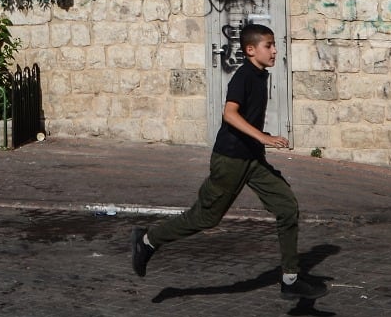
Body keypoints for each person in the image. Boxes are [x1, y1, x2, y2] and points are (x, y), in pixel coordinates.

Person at [130, 22, 325, 300]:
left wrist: (262, 138)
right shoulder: (244, 76)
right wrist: (263, 137)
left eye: (274, 45)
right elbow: (230, 114)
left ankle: (290, 278)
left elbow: (248, 116)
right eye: (268, 46)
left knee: (287, 206)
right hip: (230, 159)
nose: (274, 51)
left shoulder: (261, 75)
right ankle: (148, 240)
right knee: (206, 217)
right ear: (250, 50)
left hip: (253, 160)